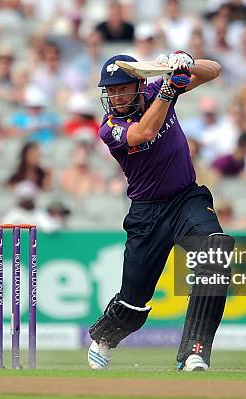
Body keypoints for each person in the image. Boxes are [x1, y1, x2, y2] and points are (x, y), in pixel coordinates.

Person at [88, 52, 234, 372]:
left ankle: (194, 352)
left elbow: (214, 70)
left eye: (121, 89)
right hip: (147, 213)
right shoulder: (109, 127)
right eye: (110, 91)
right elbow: (144, 133)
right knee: (133, 305)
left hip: (186, 199)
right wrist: (169, 88)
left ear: (140, 85)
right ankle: (104, 337)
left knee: (216, 249)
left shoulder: (158, 90)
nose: (115, 97)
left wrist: (183, 65)